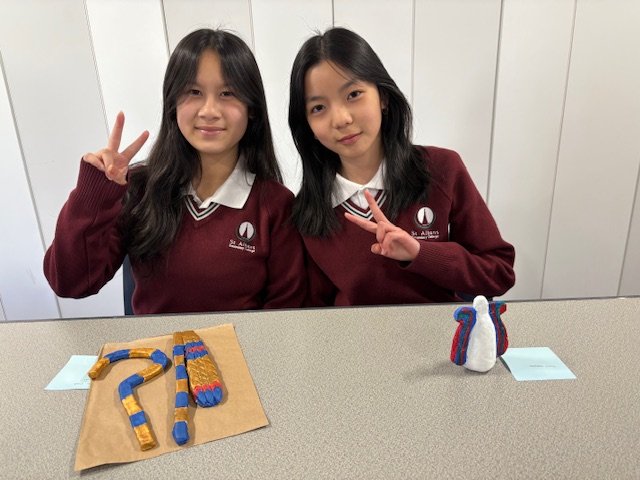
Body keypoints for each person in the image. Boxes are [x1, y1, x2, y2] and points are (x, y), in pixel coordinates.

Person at [44, 29, 306, 314]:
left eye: (227, 93)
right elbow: (70, 283)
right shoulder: (140, 187)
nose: (209, 110)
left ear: (251, 108)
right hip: (155, 345)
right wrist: (95, 192)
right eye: (194, 92)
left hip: (241, 344)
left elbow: (284, 313)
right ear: (172, 103)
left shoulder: (276, 205)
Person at [288, 27, 515, 306]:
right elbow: (316, 314)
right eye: (318, 108)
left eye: (354, 94)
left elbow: (498, 273)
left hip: (438, 330)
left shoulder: (441, 169)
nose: (341, 119)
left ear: (383, 97)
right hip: (356, 334)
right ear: (307, 125)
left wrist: (420, 253)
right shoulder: (307, 211)